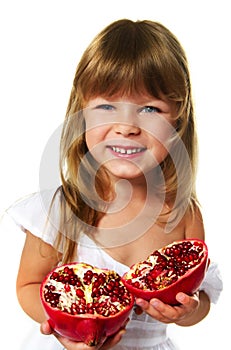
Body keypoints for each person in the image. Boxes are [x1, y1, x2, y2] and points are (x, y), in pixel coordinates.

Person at [7, 19, 222, 350]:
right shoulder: (59, 210)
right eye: (107, 106)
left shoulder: (183, 214)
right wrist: (66, 325)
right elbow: (29, 285)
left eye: (150, 108)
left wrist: (186, 312)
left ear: (177, 119)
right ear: (81, 113)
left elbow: (199, 297)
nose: (126, 127)